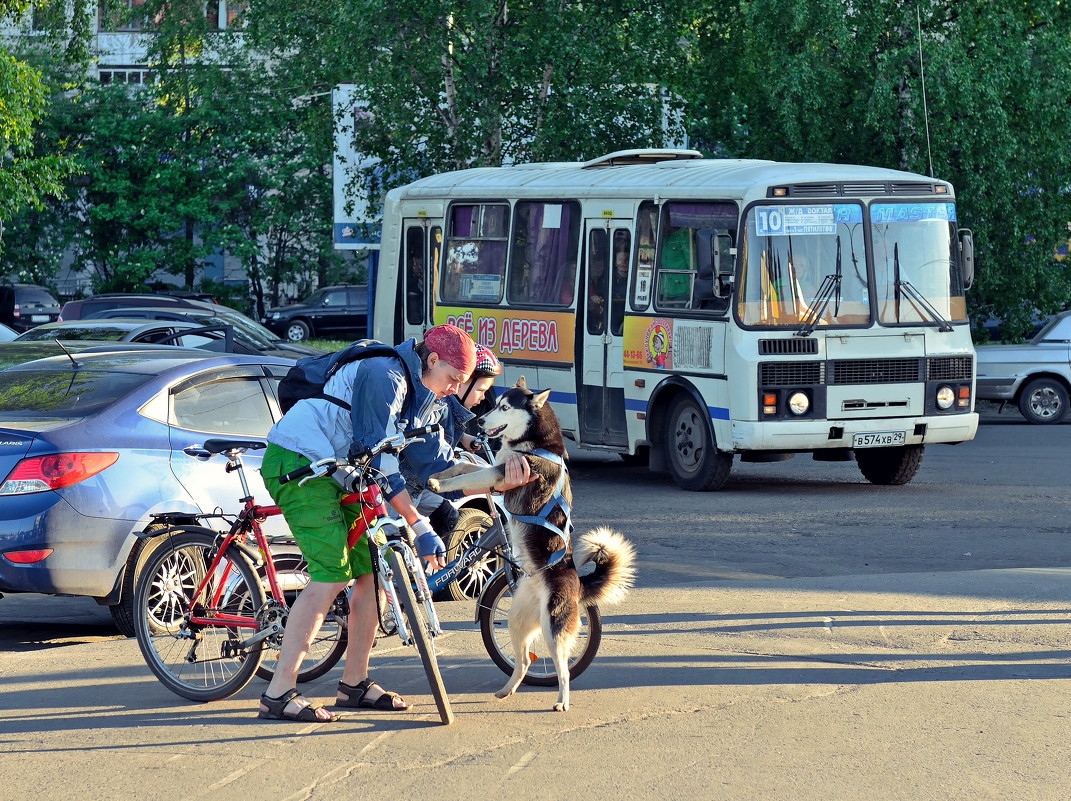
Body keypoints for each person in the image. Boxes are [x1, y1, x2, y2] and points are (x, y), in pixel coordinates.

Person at [257, 325, 530, 722]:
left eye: (461, 382)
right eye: (454, 378)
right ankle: (278, 693)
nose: (456, 389)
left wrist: (497, 475)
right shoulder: (383, 374)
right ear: (432, 360)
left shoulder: (430, 396)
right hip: (300, 460)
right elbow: (377, 454)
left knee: (370, 574)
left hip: (340, 471)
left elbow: (435, 463)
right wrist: (417, 523)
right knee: (332, 574)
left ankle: (355, 684)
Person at [409, 344, 503, 538]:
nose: (484, 397)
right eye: (481, 389)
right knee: (399, 545)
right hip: (406, 487)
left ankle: (435, 565)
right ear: (465, 381)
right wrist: (496, 481)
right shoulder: (442, 407)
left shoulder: (450, 408)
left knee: (449, 517)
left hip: (421, 483)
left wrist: (465, 439)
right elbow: (440, 462)